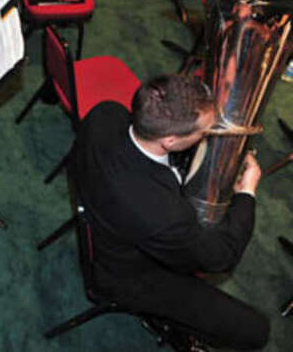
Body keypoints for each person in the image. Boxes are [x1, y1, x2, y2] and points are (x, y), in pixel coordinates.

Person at [70, 74, 269, 350]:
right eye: (203, 133)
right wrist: (246, 193)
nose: (207, 136)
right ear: (170, 141)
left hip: (104, 216)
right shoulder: (164, 216)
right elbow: (220, 257)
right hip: (124, 275)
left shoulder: (105, 113)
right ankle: (182, 336)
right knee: (256, 330)